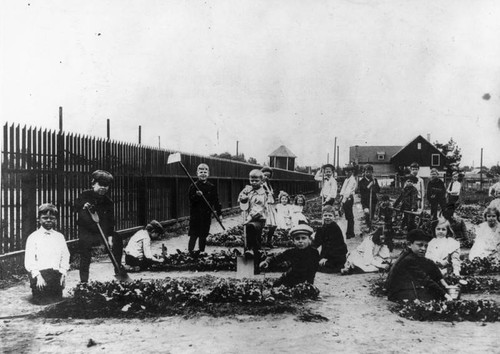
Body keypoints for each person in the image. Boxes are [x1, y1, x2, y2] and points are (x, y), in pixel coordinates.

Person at [75, 170, 122, 283]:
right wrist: (83, 205)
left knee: (118, 239)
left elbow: (111, 221)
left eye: (106, 186)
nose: (103, 188)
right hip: (86, 231)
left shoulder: (108, 202)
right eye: (100, 185)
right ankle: (84, 281)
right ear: (93, 184)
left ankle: (118, 270)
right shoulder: (85, 195)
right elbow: (75, 206)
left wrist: (110, 238)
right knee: (85, 252)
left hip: (102, 232)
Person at [385, 229, 453, 302]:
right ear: (409, 244)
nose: (423, 249)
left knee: (433, 291)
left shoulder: (411, 254)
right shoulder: (408, 259)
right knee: (433, 297)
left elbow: (430, 264)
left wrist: (444, 284)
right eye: (420, 245)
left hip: (402, 290)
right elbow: (425, 279)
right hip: (397, 294)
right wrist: (445, 295)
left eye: (426, 246)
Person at [24, 204, 70, 304]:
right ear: (39, 220)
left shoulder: (59, 237)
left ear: (55, 220)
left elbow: (65, 256)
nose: (48, 220)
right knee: (42, 301)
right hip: (40, 275)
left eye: (52, 218)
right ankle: (37, 290)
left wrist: (63, 274)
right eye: (45, 218)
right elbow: (29, 260)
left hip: (55, 274)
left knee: (57, 301)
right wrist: (38, 277)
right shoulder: (33, 237)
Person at [238, 169, 269, 270]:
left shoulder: (262, 193)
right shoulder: (248, 189)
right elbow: (240, 199)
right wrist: (243, 197)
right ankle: (251, 256)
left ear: (262, 181)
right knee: (250, 237)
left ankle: (255, 255)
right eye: (252, 180)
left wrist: (248, 219)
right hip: (248, 218)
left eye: (256, 180)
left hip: (258, 219)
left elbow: (257, 209)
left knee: (252, 229)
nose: (254, 182)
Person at [187, 163, 222, 252]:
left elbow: (216, 201)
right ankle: (190, 252)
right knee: (193, 235)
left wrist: (219, 214)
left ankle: (201, 252)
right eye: (201, 172)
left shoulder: (211, 187)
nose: (203, 174)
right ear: (197, 173)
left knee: (203, 235)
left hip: (206, 215)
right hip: (195, 215)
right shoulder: (193, 186)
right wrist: (197, 195)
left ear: (208, 173)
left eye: (205, 172)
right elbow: (191, 200)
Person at [312, 205, 348, 273]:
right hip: (326, 254)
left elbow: (335, 246)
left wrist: (326, 258)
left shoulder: (335, 229)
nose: (327, 217)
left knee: (321, 266)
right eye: (325, 215)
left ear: (334, 217)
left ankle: (339, 268)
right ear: (322, 217)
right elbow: (316, 243)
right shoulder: (322, 228)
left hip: (336, 255)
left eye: (330, 216)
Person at [339, 165, 357, 239]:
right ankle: (350, 232)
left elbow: (348, 191)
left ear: (351, 172)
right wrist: (341, 196)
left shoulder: (352, 180)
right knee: (348, 216)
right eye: (346, 172)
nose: (347, 173)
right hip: (345, 197)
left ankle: (350, 233)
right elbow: (343, 189)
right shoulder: (347, 179)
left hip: (348, 198)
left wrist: (343, 201)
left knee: (349, 216)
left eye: (349, 172)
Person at [261, 166, 278, 245]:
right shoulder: (260, 184)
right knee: (264, 224)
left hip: (271, 206)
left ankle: (269, 240)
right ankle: (261, 241)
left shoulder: (269, 184)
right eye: (264, 175)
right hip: (264, 206)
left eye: (268, 176)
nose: (266, 177)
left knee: (273, 224)